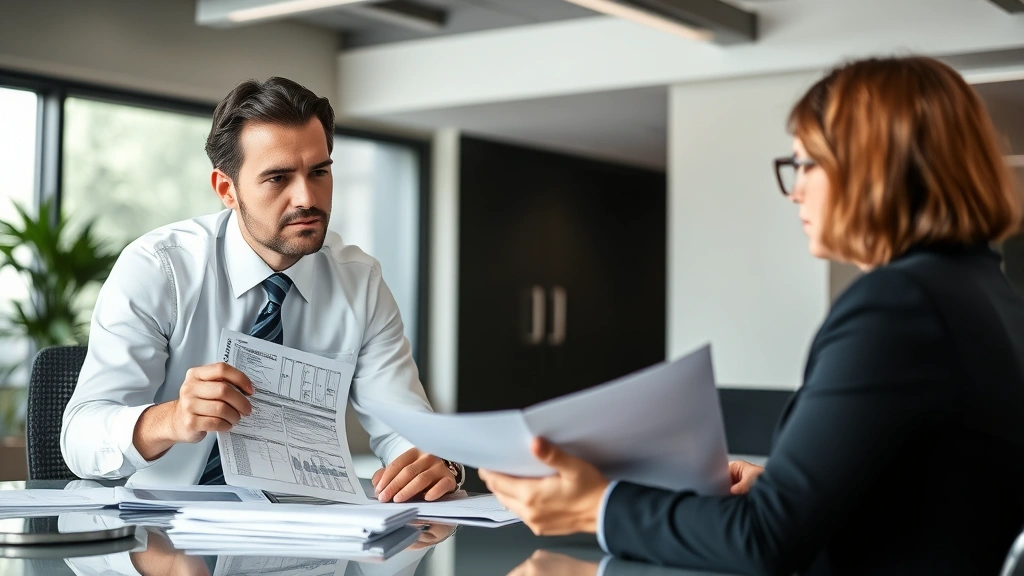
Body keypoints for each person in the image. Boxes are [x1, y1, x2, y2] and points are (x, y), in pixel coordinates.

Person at [480, 55, 1024, 575]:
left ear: (872, 168)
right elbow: (932, 495)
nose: (796, 192)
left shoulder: (897, 304)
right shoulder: (989, 293)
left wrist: (595, 505)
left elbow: (763, 542)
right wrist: (785, 486)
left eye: (806, 163)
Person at [61, 77, 463, 503]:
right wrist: (174, 419)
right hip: (167, 534)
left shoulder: (359, 280)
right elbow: (81, 438)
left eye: (320, 172)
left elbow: (406, 431)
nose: (306, 198)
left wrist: (433, 464)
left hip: (307, 540)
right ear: (226, 190)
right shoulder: (159, 269)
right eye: (277, 178)